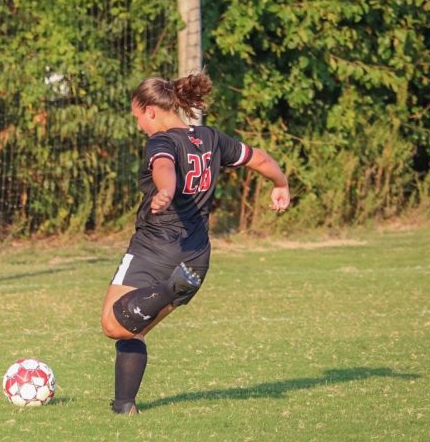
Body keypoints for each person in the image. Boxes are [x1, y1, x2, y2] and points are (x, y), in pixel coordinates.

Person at [101, 73, 290, 414]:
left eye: (138, 117)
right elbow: (258, 159)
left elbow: (164, 167)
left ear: (151, 112)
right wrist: (281, 183)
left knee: (114, 323)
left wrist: (166, 191)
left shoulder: (160, 141)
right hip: (196, 256)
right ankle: (124, 406)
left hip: (154, 247)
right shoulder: (211, 138)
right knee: (134, 328)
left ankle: (169, 288)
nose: (139, 125)